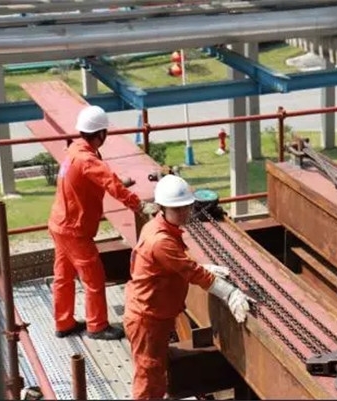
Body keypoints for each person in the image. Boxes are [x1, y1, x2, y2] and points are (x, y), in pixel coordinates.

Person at [124, 174, 254, 400]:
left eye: (186, 207)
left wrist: (200, 267)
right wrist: (229, 292)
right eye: (178, 209)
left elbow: (176, 266)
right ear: (162, 208)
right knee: (148, 377)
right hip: (148, 320)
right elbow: (191, 273)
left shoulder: (159, 226)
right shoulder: (161, 241)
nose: (184, 213)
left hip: (153, 314)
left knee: (155, 373)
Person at [48, 105, 158, 341]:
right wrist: (139, 205)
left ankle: (64, 322)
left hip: (59, 224)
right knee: (94, 278)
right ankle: (97, 326)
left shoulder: (74, 151)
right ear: (101, 134)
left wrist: (117, 182)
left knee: (63, 276)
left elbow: (96, 179)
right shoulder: (87, 159)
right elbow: (106, 180)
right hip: (75, 230)